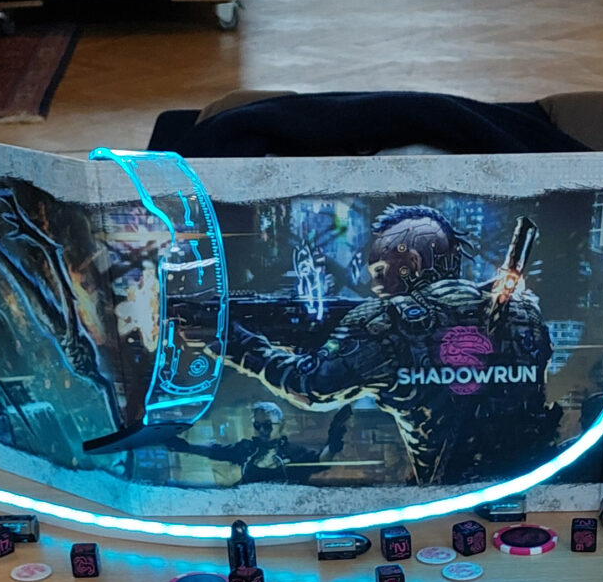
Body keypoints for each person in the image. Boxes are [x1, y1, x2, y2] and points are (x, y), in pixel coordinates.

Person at [224, 205, 558, 487]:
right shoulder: (524, 311)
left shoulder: (388, 320)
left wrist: (235, 342)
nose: (374, 283)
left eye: (381, 270)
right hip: (532, 481)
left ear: (411, 263)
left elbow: (310, 386)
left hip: (451, 490)